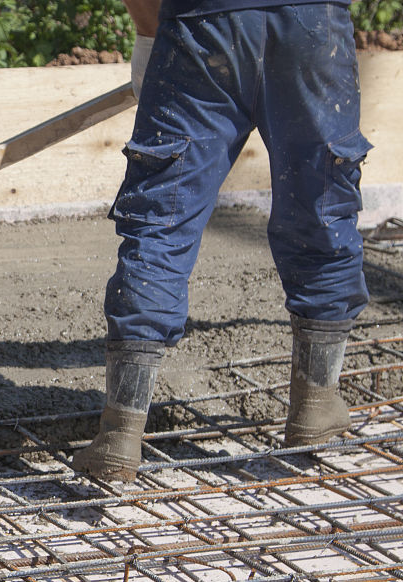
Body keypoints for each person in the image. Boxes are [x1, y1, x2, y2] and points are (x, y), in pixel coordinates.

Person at [72, 0, 372, 481]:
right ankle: (316, 401)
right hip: (311, 23)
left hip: (204, 24)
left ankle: (120, 432)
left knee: (160, 219)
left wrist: (151, 35)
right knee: (321, 204)